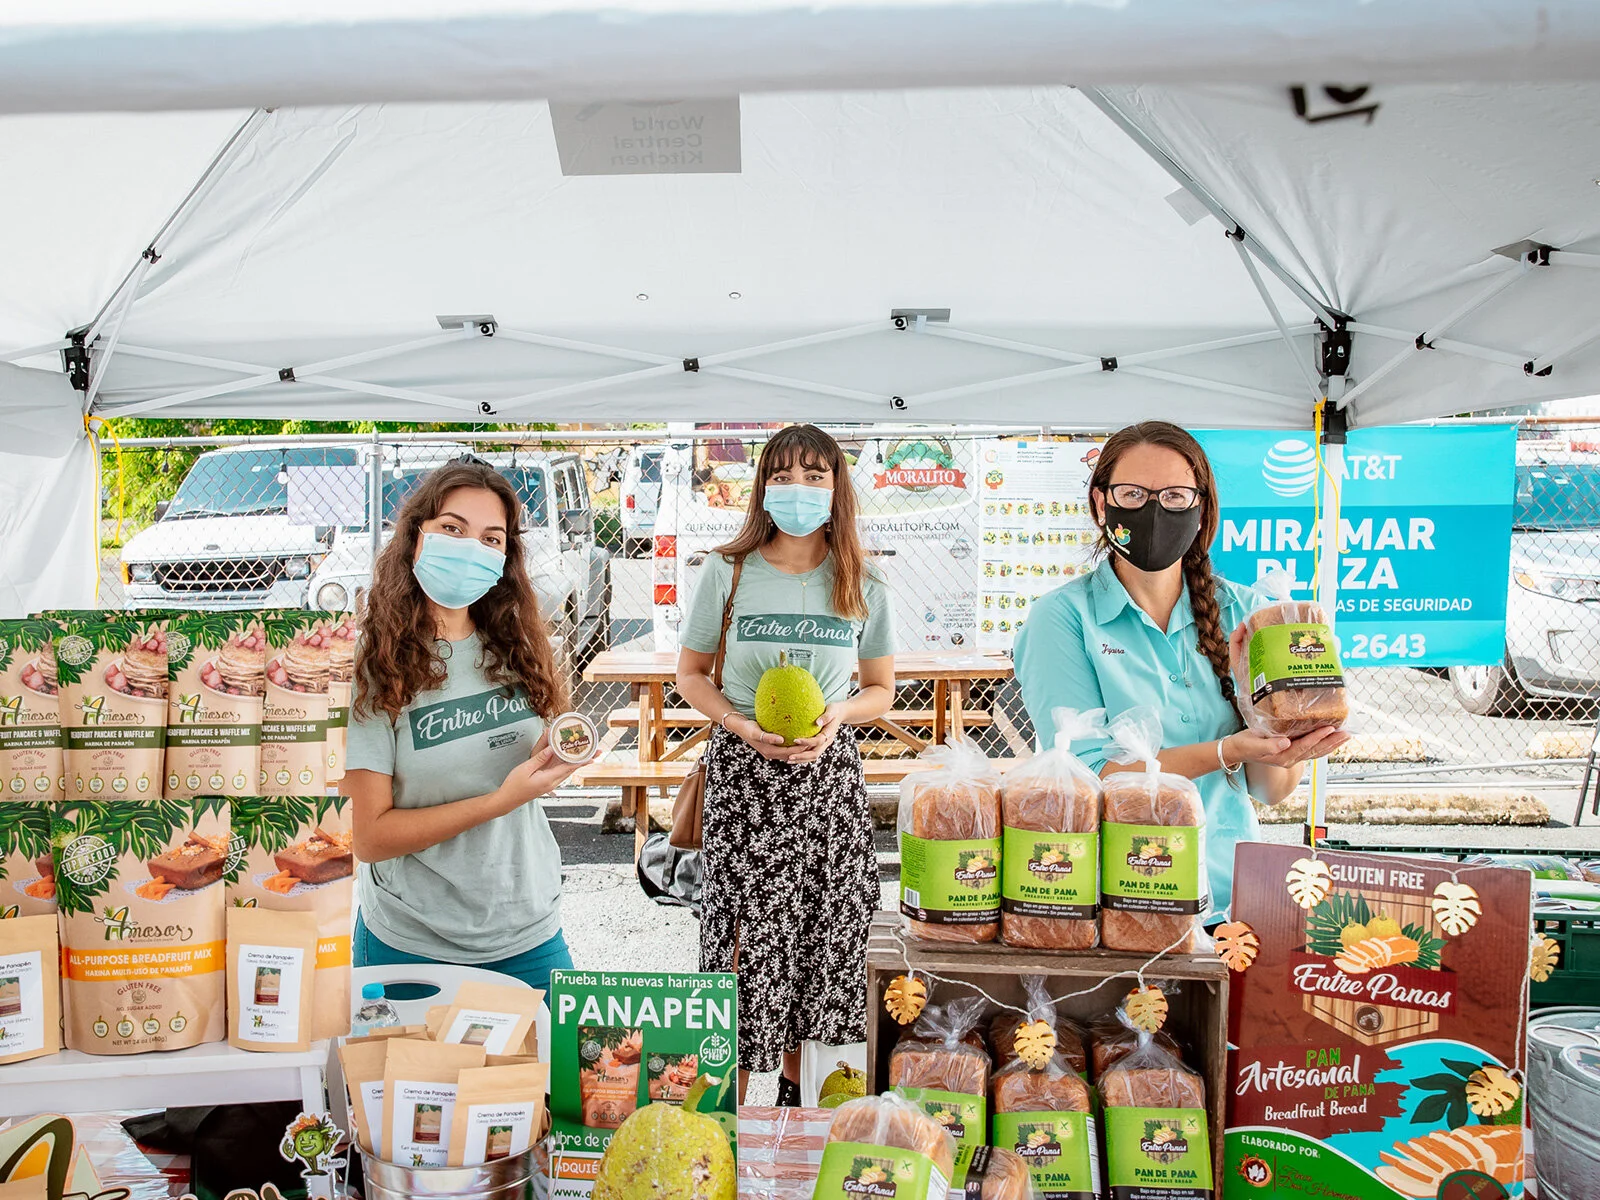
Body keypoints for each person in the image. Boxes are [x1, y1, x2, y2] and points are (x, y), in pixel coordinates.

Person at [1014, 421, 1349, 918]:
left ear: (1201, 509)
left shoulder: (1248, 613)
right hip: (1119, 897)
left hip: (1230, 898)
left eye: (1174, 496)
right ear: (1101, 503)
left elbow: (1270, 790)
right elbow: (1089, 776)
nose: (1153, 510)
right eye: (1132, 493)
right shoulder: (1063, 619)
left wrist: (1288, 729)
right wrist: (1225, 749)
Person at [676, 424, 897, 1102]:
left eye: (813, 475)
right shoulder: (729, 569)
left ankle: (803, 1110)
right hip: (744, 784)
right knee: (745, 951)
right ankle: (731, 1116)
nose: (797, 489)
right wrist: (739, 724)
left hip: (826, 784)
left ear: (837, 488)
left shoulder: (863, 577)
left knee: (818, 942)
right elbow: (690, 675)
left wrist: (837, 718)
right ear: (762, 487)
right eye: (782, 475)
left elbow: (881, 690)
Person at [343, 458, 591, 991]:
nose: (471, 548)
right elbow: (370, 836)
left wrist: (554, 757)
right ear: (416, 537)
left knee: (549, 1076)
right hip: (412, 939)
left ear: (505, 557)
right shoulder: (375, 662)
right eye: (453, 529)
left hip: (526, 928)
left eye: (491, 538)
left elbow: (531, 752)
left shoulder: (517, 643)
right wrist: (499, 800)